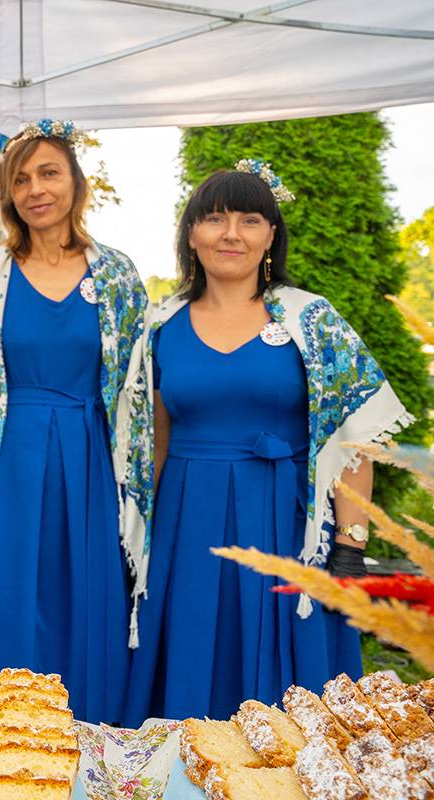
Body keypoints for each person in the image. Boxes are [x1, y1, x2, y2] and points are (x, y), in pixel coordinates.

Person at [121, 161, 412, 723]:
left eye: (250, 220)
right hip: (187, 526)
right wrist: (137, 539)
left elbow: (352, 441)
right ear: (191, 233)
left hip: (286, 522)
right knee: (190, 665)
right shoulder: (159, 327)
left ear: (271, 235)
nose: (231, 234)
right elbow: (151, 444)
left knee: (290, 697)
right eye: (215, 219)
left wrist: (350, 547)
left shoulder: (313, 320)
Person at [0, 119, 149, 724]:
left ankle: (94, 739)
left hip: (91, 458)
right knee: (8, 594)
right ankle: (3, 741)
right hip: (11, 459)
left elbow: (140, 392)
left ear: (75, 182)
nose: (36, 189)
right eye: (21, 179)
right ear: (8, 194)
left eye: (49, 173)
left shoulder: (117, 275)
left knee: (89, 596)